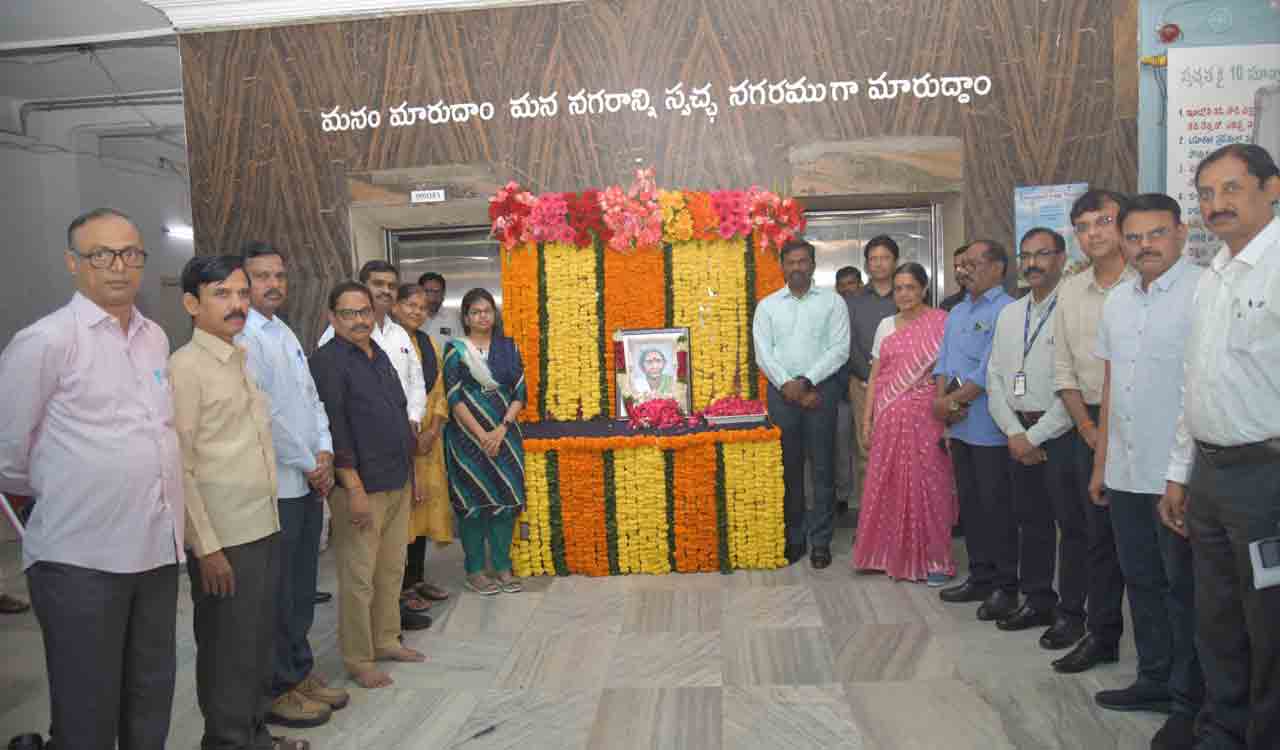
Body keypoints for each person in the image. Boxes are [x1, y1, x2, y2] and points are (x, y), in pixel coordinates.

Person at [0, 208, 184, 749]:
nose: (118, 267)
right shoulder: (45, 341)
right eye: (100, 255)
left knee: (150, 694)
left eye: (130, 254)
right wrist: (73, 490)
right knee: (87, 707)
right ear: (73, 264)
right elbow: (9, 452)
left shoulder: (155, 338)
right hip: (80, 557)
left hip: (154, 549)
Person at [1163, 143, 1280, 750]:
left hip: (1266, 476)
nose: (1217, 205)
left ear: (1272, 187)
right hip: (1209, 475)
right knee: (1218, 618)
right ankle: (1222, 730)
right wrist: (1180, 473)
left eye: (1232, 189)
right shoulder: (1213, 275)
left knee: (1270, 625)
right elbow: (1195, 383)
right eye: (1207, 194)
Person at [171, 255, 306, 749]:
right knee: (228, 650)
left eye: (241, 294)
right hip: (224, 540)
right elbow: (179, 467)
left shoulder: (238, 357)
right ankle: (228, 741)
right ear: (192, 303)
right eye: (221, 294)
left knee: (254, 644)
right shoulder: (186, 368)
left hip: (260, 524)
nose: (237, 305)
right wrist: (206, 547)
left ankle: (255, 736)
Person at [1089, 194, 1204, 748]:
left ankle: (1190, 701)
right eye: (1133, 237)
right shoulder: (1118, 303)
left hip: (1177, 475)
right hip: (1127, 469)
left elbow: (1200, 391)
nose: (1144, 247)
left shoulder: (1203, 292)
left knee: (1185, 590)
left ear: (1182, 233)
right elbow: (1111, 387)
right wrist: (1102, 462)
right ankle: (1154, 679)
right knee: (1142, 582)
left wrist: (1182, 474)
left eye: (1156, 234)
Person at [237, 241, 349, 728]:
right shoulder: (244, 335)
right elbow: (266, 414)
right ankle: (277, 686)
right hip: (278, 485)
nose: (273, 284)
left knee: (303, 587)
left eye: (279, 275)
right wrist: (310, 461)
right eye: (262, 276)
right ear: (244, 283)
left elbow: (310, 402)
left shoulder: (281, 330)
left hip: (306, 479)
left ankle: (299, 673)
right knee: (278, 593)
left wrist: (324, 450)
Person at [310, 281, 425, 689]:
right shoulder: (328, 362)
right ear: (332, 318)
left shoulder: (376, 355)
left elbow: (397, 413)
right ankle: (359, 658)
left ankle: (386, 639)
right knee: (359, 577)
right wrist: (353, 488)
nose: (359, 319)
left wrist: (412, 475)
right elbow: (334, 429)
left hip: (395, 477)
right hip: (361, 488)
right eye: (349, 313)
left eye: (364, 312)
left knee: (391, 569)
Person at [1050, 189, 1135, 674]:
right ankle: (1101, 634)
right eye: (1083, 226)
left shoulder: (1142, 282)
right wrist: (1086, 425)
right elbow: (1063, 369)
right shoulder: (1071, 291)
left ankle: (1165, 659)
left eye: (1103, 221)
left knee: (1149, 546)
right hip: (1088, 423)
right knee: (1093, 537)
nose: (1094, 233)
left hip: (1145, 423)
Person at [986, 228, 1083, 649]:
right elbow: (994, 377)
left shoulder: (1073, 309)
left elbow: (1077, 384)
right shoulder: (1011, 313)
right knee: (1032, 524)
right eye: (1026, 255)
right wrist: (1014, 431)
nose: (1033, 263)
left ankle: (1073, 615)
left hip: (1061, 433)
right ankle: (1038, 599)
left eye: (1042, 254)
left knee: (1073, 529)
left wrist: (1036, 435)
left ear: (1062, 258)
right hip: (1018, 430)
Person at [852, 262, 957, 583]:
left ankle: (936, 560)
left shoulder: (941, 322)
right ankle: (885, 554)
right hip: (888, 417)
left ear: (924, 289)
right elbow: (875, 376)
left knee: (932, 485)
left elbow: (948, 371)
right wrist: (867, 422)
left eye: (911, 287)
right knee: (889, 484)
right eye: (899, 288)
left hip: (928, 417)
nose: (904, 294)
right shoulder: (885, 326)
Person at [753, 239, 851, 568]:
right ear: (782, 266)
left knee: (823, 469)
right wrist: (788, 385)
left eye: (803, 261)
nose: (797, 267)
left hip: (820, 393)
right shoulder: (767, 306)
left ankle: (821, 541)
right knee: (789, 469)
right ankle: (795, 538)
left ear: (812, 265)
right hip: (783, 397)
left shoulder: (833, 302)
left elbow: (839, 349)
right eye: (791, 262)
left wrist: (806, 382)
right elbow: (763, 354)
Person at [934, 240, 1017, 621]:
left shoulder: (1007, 310)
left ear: (998, 267)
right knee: (971, 506)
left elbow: (989, 369)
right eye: (962, 263)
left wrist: (954, 402)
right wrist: (941, 402)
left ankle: (1006, 584)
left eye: (973, 263)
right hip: (959, 428)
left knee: (996, 507)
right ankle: (980, 576)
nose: (964, 270)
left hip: (989, 427)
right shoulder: (957, 311)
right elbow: (944, 363)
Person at [442, 289, 528, 594]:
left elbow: (520, 393)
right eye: (476, 311)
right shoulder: (455, 350)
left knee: (506, 500)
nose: (483, 316)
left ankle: (503, 567)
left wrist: (501, 429)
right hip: (467, 440)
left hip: (505, 435)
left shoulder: (508, 347)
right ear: (465, 317)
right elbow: (453, 398)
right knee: (472, 504)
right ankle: (475, 570)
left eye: (487, 310)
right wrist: (481, 435)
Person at [390, 283, 453, 622]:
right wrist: (412, 434)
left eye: (421, 307)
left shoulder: (428, 343)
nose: (416, 311)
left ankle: (416, 579)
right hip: (401, 442)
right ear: (396, 307)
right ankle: (399, 589)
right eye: (409, 305)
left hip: (429, 443)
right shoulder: (385, 342)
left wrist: (434, 428)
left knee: (424, 510)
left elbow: (440, 388)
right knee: (404, 517)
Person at [319, 260, 427, 434]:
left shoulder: (400, 333)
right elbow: (329, 396)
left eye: (392, 286)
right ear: (362, 287)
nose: (386, 290)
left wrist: (414, 417)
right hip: (361, 436)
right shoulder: (338, 332)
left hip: (402, 432)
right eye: (378, 284)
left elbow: (416, 381)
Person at [844, 237, 900, 510]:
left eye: (885, 257)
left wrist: (891, 381)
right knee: (867, 452)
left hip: (903, 387)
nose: (879, 263)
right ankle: (870, 522)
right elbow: (848, 343)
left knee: (901, 453)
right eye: (873, 258)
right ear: (867, 264)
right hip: (862, 385)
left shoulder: (906, 296)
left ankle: (899, 521)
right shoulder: (853, 301)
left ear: (895, 261)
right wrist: (868, 376)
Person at [418, 272, 462, 343]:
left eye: (436, 291)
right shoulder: (413, 317)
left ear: (443, 293)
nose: (431, 297)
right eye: (427, 291)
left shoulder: (455, 318)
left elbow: (460, 346)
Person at [939, 244, 971, 312]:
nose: (958, 271)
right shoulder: (947, 305)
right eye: (956, 266)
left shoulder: (991, 302)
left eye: (963, 265)